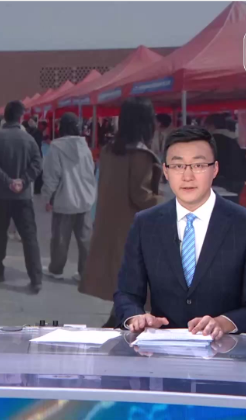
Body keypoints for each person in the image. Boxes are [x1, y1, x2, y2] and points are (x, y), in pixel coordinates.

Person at [114, 126, 246, 338]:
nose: (187, 176)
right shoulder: (146, 224)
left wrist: (224, 322)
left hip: (228, 350)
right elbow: (126, 294)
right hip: (163, 349)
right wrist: (136, 317)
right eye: (178, 166)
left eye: (199, 165)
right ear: (166, 171)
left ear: (215, 169)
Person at [79, 97, 165, 327]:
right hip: (133, 231)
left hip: (109, 227)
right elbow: (141, 196)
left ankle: (116, 322)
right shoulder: (141, 156)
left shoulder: (109, 151)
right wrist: (168, 203)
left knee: (126, 287)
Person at [0, 101, 43, 294]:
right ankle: (36, 278)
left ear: (5, 116)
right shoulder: (29, 139)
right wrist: (23, 181)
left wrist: (8, 182)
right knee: (29, 237)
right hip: (23, 197)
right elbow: (37, 164)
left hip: (1, 195)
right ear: (21, 117)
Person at [42, 113, 97, 282]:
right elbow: (91, 171)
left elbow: (51, 176)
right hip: (85, 199)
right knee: (85, 240)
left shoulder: (56, 148)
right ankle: (85, 273)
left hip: (64, 199)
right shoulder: (85, 147)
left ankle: (56, 269)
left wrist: (48, 198)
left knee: (60, 238)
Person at [204, 113, 246, 202]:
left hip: (220, 182)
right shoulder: (233, 140)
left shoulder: (210, 142)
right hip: (237, 182)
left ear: (211, 126)